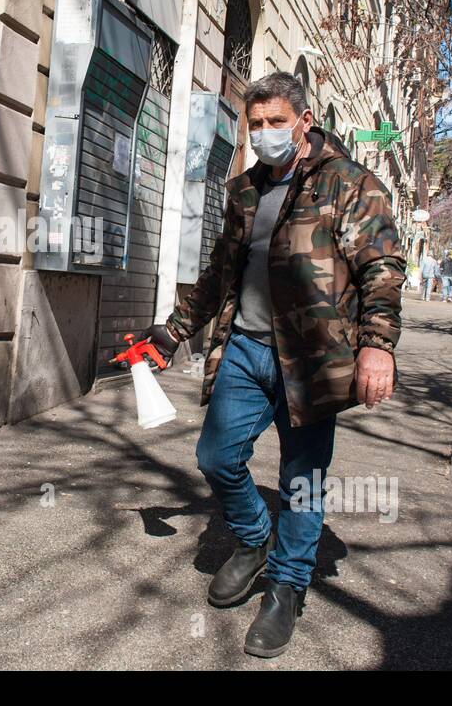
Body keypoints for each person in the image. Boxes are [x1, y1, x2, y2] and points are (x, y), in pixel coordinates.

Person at [143, 71, 405, 659]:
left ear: (303, 123)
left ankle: (286, 587)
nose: (264, 134)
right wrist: (170, 333)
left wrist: (377, 345)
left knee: (302, 481)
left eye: (275, 122)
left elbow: (381, 269)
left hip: (313, 357)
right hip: (245, 347)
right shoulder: (242, 192)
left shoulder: (350, 185)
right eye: (255, 124)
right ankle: (254, 538)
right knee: (215, 455)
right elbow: (218, 276)